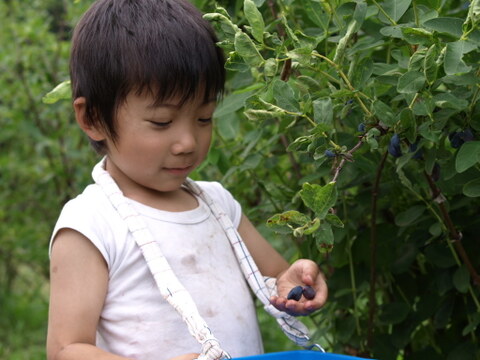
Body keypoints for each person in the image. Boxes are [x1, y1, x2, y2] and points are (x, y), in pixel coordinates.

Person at [46, 0, 328, 359]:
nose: (188, 143)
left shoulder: (219, 204)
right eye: (162, 122)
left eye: (204, 118)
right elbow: (66, 349)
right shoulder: (91, 224)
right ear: (93, 118)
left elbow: (274, 277)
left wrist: (295, 282)